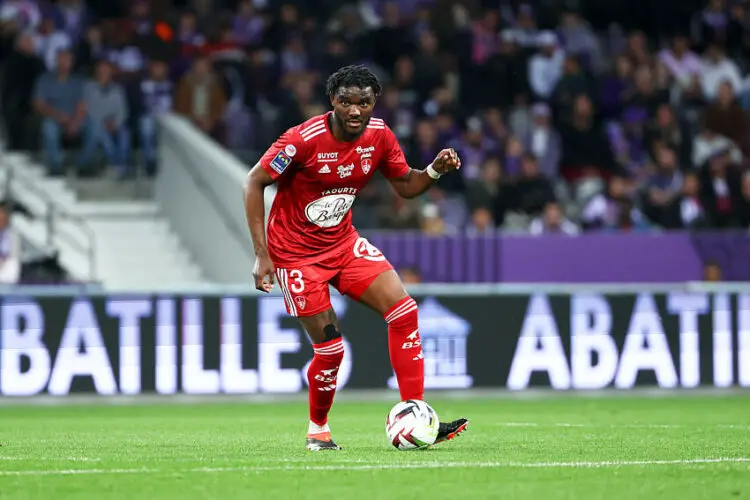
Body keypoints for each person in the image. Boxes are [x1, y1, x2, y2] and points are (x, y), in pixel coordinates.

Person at [243, 65, 469, 451]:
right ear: (333, 101)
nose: (354, 110)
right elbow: (255, 181)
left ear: (373, 103)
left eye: (363, 102)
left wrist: (434, 170)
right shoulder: (301, 140)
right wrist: (262, 255)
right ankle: (318, 430)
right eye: (346, 101)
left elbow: (406, 185)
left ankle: (414, 412)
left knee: (405, 311)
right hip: (296, 256)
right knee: (331, 351)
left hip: (343, 244)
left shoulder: (379, 136)